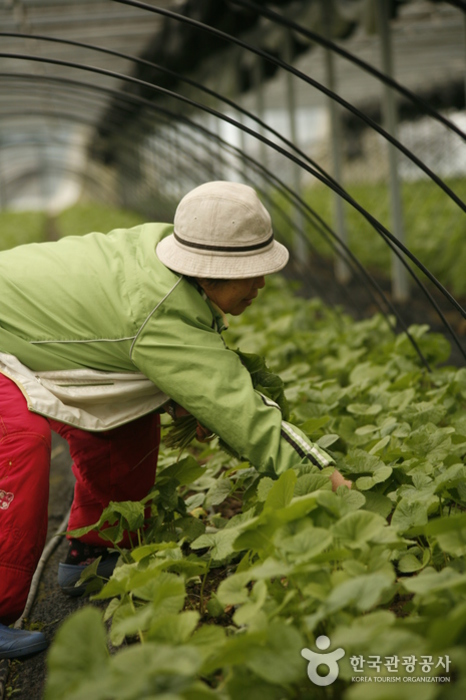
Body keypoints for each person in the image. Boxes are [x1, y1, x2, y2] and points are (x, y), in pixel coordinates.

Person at [0, 181, 351, 659]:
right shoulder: (159, 309)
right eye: (250, 273)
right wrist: (326, 478)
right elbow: (243, 415)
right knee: (17, 441)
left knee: (128, 424)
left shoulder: (168, 254)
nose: (261, 285)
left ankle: (91, 552)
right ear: (210, 271)